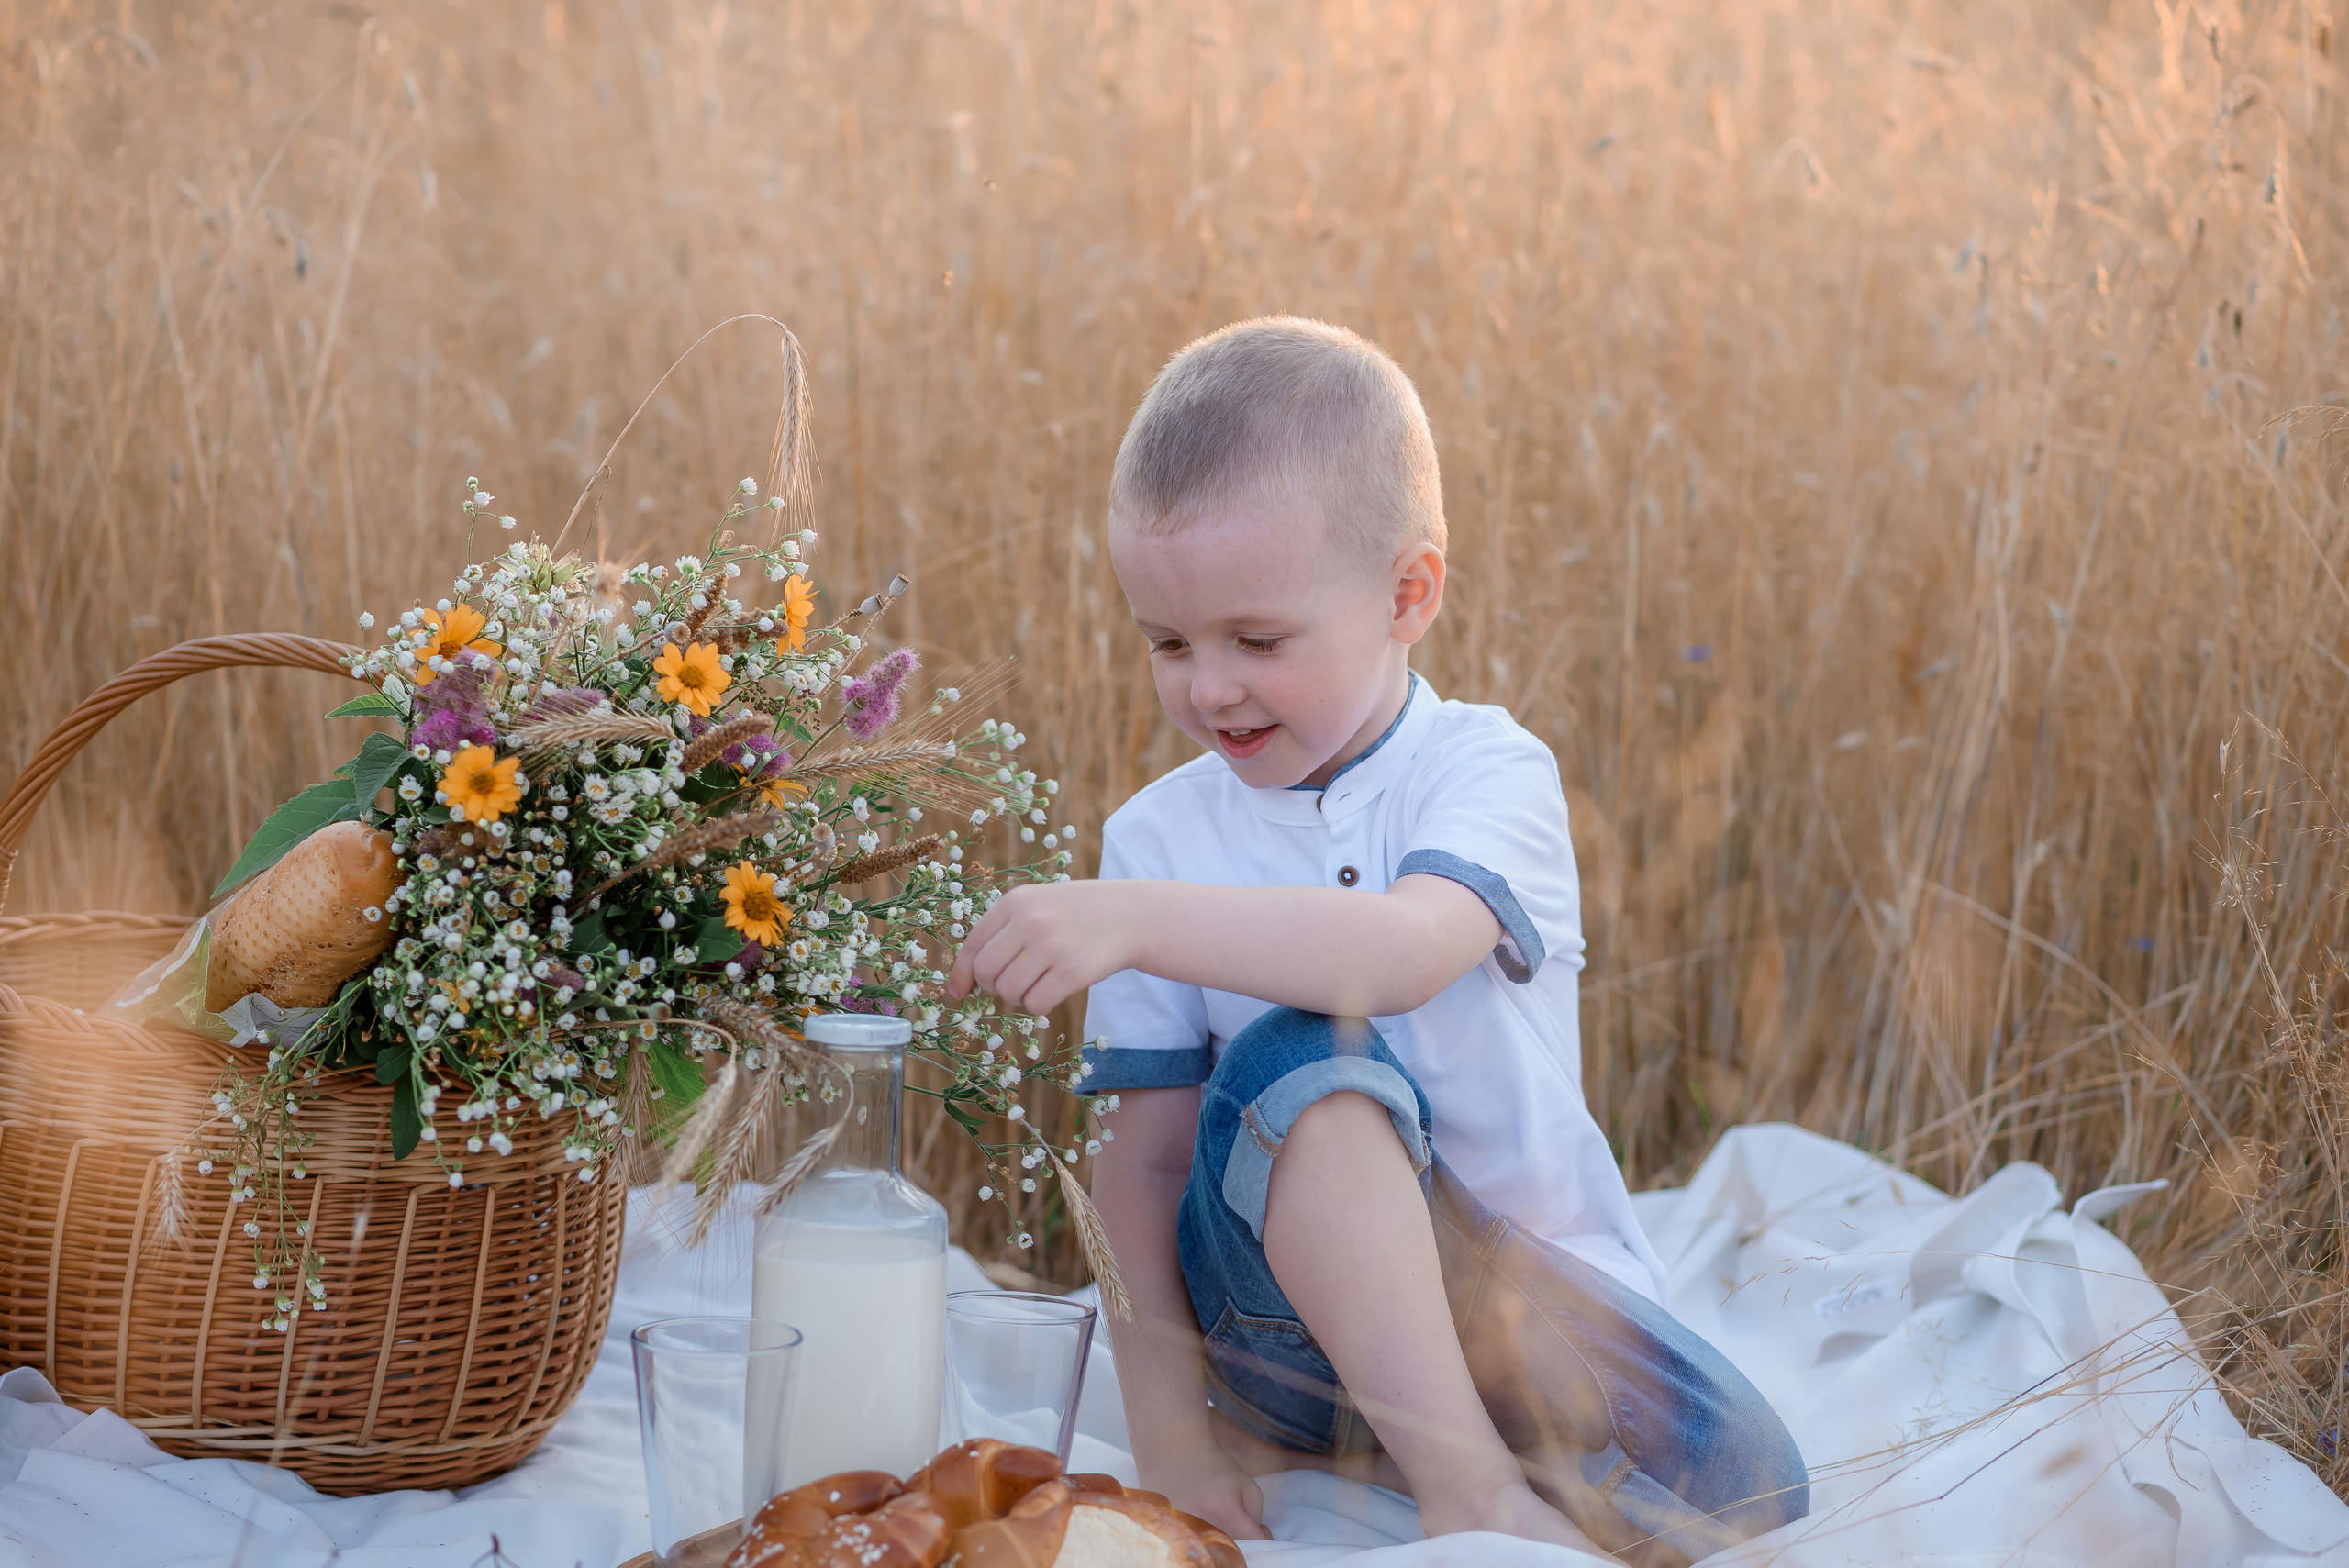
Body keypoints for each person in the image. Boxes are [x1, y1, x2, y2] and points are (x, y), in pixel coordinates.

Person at [946, 317, 1809, 1565]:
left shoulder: (1486, 773)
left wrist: (1130, 922)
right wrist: (1173, 1441)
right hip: (1273, 1344)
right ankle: (1463, 1489)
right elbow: (1142, 1174)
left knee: (1748, 1484)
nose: (1208, 689)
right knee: (1303, 1066)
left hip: (1520, 1311)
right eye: (1167, 644)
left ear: (1410, 594)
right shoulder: (1157, 834)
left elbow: (1403, 950)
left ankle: (1443, 1437)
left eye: (1257, 640)